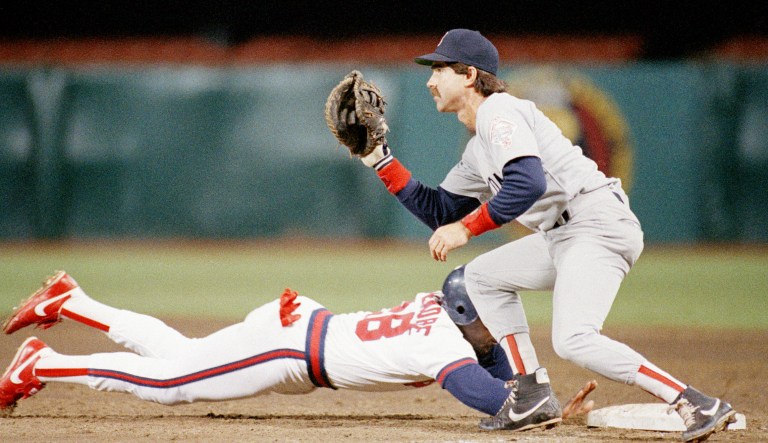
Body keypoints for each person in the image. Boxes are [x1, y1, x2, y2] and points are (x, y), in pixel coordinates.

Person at [352, 28, 737, 442]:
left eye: (439, 69)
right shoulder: (479, 146)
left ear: (467, 75)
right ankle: (530, 394)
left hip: (595, 222)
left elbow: (526, 184)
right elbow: (439, 211)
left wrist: (466, 228)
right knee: (480, 279)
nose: (430, 80)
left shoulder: (500, 112)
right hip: (564, 233)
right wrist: (380, 160)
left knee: (574, 340)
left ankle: (695, 401)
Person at [0, 269, 565, 431]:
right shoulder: (442, 342)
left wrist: (530, 387)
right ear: (469, 314)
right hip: (288, 349)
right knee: (175, 384)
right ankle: (44, 365)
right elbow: (490, 398)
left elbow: (496, 368)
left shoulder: (437, 309)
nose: (501, 329)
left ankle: (70, 302)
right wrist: (536, 401)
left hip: (297, 330)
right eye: (495, 318)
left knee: (183, 355)